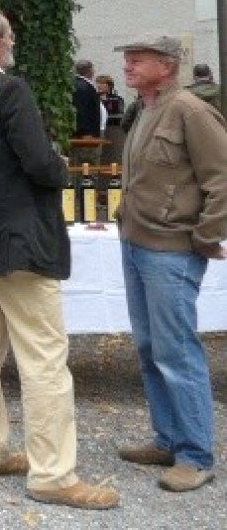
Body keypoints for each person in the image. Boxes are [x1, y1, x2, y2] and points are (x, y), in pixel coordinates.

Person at [0, 7, 118, 510]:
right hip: (20, 244)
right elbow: (39, 164)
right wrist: (60, 164)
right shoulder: (9, 91)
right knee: (44, 360)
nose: (12, 43)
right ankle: (54, 475)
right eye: (9, 36)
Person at [113, 35, 227, 493]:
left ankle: (196, 455)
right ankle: (168, 438)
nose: (128, 67)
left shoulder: (191, 111)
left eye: (137, 60)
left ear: (167, 66)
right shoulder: (145, 109)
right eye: (127, 59)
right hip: (137, 245)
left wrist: (203, 236)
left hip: (171, 250)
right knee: (149, 348)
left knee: (176, 352)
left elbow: (221, 179)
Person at [72, 59, 104, 138]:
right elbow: (82, 110)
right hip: (86, 134)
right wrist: (86, 132)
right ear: (90, 71)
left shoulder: (77, 84)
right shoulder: (84, 87)